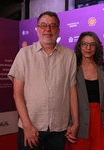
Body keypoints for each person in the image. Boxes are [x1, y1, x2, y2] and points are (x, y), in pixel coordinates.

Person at [8, 11, 79, 150]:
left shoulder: (69, 55)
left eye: (52, 25)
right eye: (43, 25)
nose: (48, 29)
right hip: (31, 126)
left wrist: (75, 122)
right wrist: (27, 126)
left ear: (58, 30)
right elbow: (17, 94)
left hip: (59, 127)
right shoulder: (24, 54)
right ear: (37, 29)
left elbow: (72, 90)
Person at [65, 31, 104, 150]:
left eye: (92, 44)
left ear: (97, 47)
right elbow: (66, 98)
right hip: (79, 121)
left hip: (102, 122)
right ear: (79, 46)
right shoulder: (72, 68)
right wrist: (69, 124)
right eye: (84, 44)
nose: (88, 48)